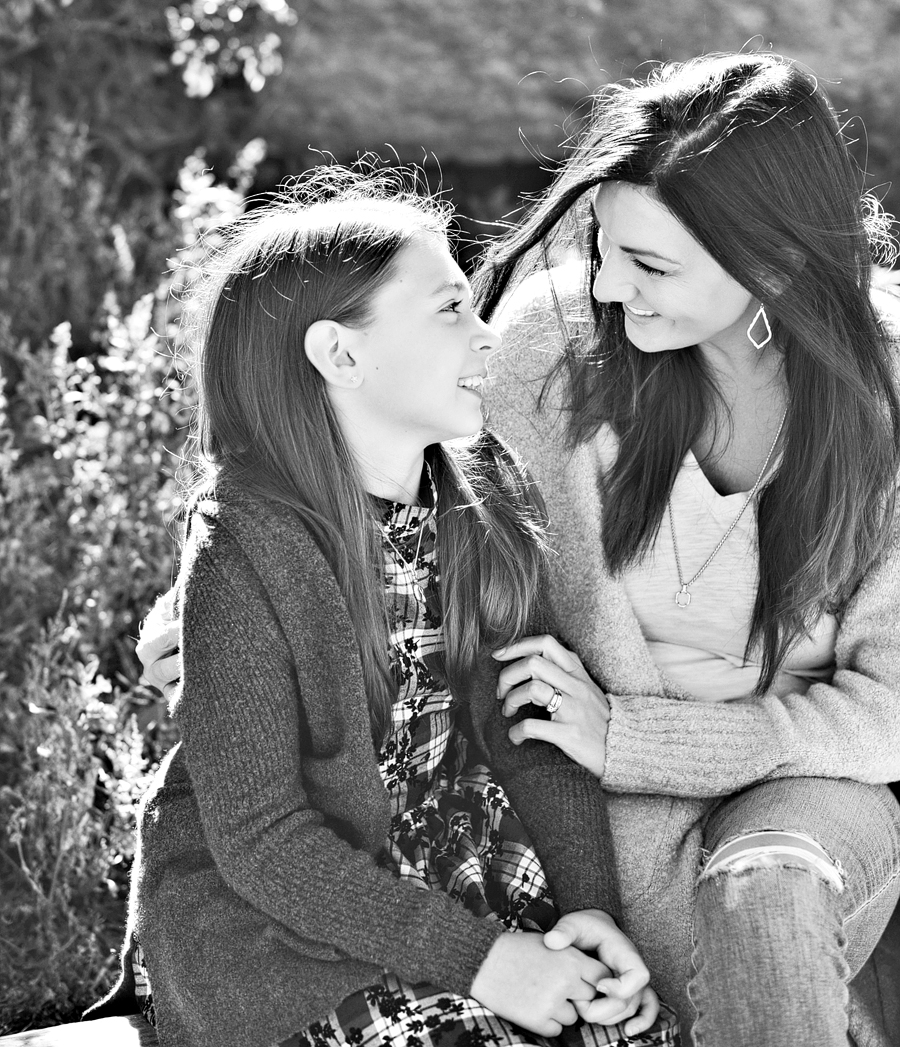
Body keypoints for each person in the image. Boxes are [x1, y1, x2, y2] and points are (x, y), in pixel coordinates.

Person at [91, 171, 677, 1047]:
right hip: (292, 921)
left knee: (625, 1034)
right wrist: (486, 962)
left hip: (467, 876)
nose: (485, 337)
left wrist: (590, 916)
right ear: (340, 355)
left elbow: (536, 739)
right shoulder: (245, 544)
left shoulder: (486, 500)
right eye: (449, 310)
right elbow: (264, 840)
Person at [470, 52, 900, 1046]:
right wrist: (229, 602)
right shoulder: (555, 347)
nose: (611, 287)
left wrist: (637, 735)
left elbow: (887, 707)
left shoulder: (883, 393)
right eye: (604, 247)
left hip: (808, 797)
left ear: (776, 265)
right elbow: (410, 485)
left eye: (653, 265)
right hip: (595, 818)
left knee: (764, 889)